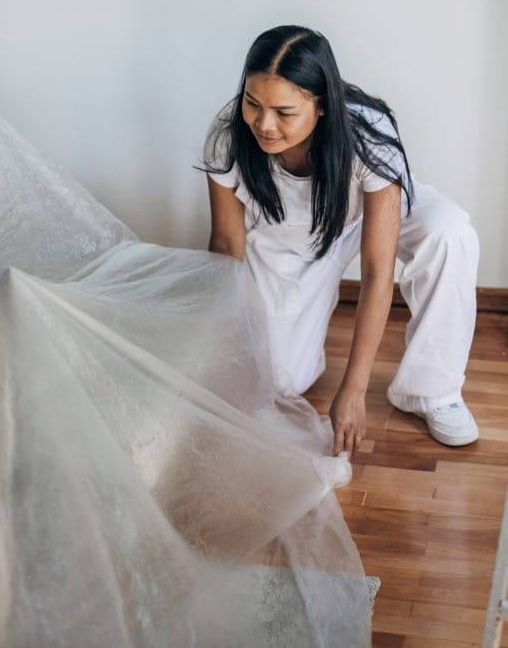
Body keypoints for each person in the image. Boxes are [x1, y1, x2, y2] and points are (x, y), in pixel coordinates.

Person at [204, 25, 479, 456]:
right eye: (252, 103)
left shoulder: (370, 136)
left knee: (450, 232)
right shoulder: (228, 137)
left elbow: (375, 271)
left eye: (283, 111)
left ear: (323, 107)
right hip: (292, 238)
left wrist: (354, 388)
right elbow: (225, 245)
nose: (263, 123)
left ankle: (432, 390)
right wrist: (225, 341)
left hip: (369, 213)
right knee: (281, 382)